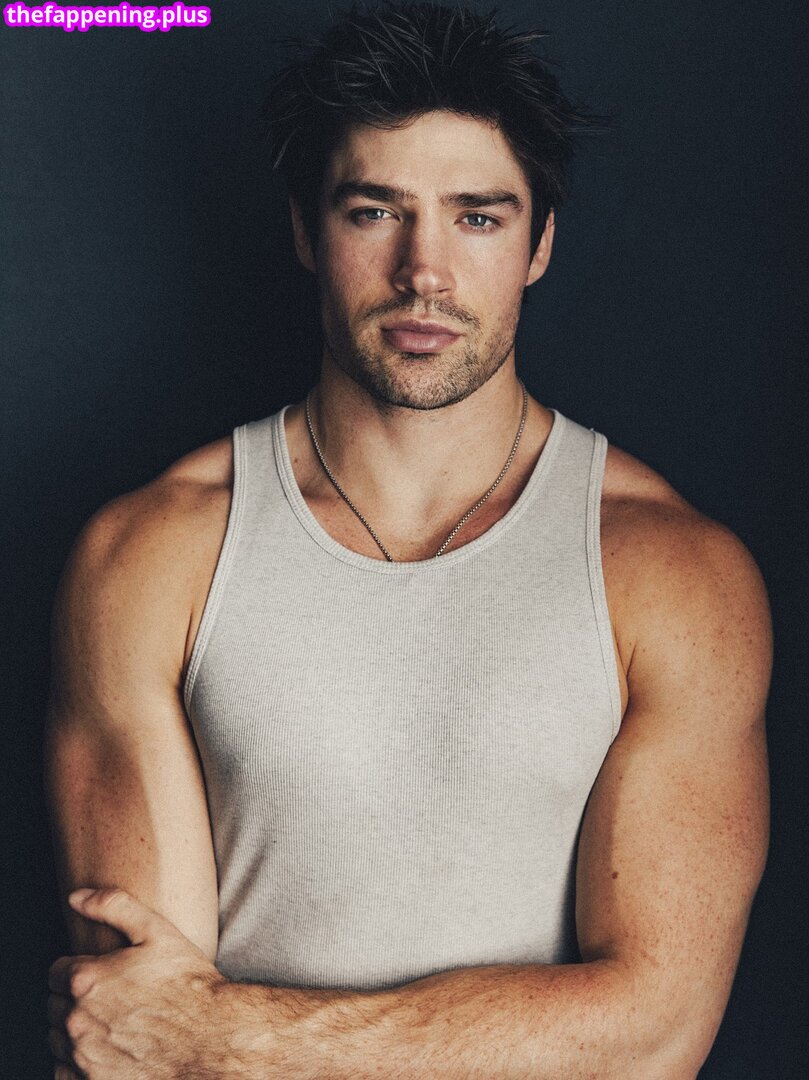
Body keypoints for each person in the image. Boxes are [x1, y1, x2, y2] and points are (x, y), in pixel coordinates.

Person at [44, 3, 771, 1077]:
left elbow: (652, 1035)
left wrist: (232, 1037)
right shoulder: (151, 554)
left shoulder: (673, 574)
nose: (422, 270)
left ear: (538, 244)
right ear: (306, 231)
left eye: (477, 217)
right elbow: (137, 1043)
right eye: (374, 211)